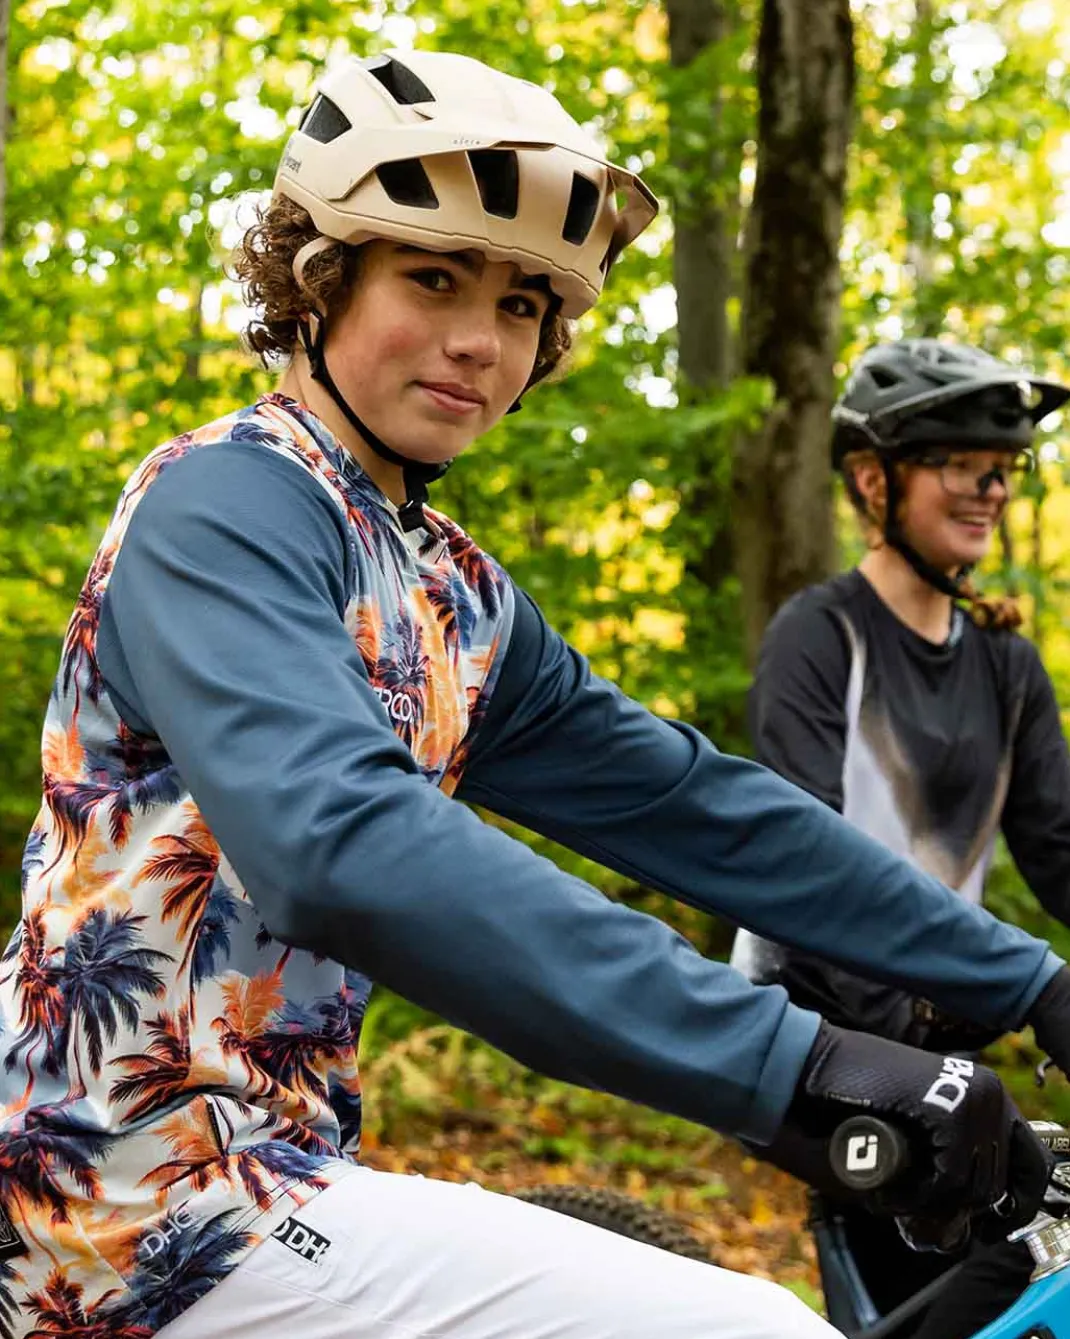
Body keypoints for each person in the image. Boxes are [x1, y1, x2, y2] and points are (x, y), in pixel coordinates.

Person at [0, 51, 1068, 1339]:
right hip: (124, 1201)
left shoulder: (453, 591)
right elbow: (348, 846)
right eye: (433, 279)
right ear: (317, 280)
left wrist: (1027, 983)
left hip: (279, 1180)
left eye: (520, 306)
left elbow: (699, 811)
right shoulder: (226, 505)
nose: (476, 341)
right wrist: (804, 1067)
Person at [730, 336, 1070, 1335]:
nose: (987, 490)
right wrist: (918, 1040)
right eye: (959, 466)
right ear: (873, 481)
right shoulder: (820, 635)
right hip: (809, 1033)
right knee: (1010, 1249)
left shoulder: (1004, 664)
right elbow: (797, 861)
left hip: (941, 1049)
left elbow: (1055, 847)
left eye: (999, 471)